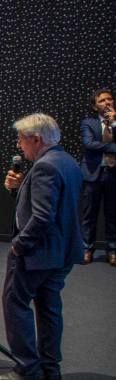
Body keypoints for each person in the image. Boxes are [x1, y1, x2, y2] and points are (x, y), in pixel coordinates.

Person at [0, 113, 84, 380]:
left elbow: (42, 217)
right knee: (49, 307)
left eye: (21, 140)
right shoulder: (67, 162)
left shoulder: (45, 167)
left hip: (37, 253)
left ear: (36, 138)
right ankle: (50, 367)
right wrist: (19, 190)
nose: (19, 146)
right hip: (62, 251)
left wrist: (20, 246)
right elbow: (55, 203)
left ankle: (28, 368)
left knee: (15, 304)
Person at [78, 88, 115, 265]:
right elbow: (89, 144)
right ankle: (86, 249)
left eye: (110, 99)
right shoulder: (88, 123)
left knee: (113, 215)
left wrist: (114, 123)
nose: (107, 102)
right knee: (89, 215)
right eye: (102, 101)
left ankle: (113, 250)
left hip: (113, 174)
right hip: (93, 174)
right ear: (94, 106)